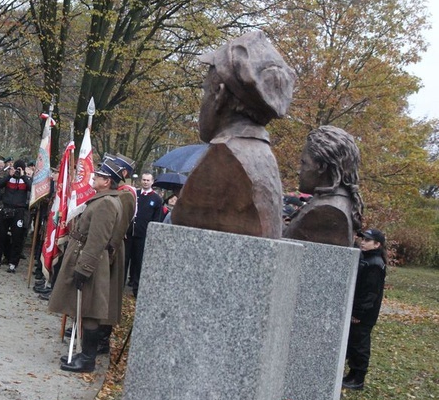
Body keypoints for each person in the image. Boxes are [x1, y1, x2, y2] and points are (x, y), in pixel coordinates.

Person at [171, 30, 295, 239]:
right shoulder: (261, 156)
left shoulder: (223, 158)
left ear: (219, 94)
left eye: (205, 91)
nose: (203, 102)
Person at [48, 159, 129, 373]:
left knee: (91, 311)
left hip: (92, 262)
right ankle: (84, 355)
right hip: (89, 258)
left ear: (107, 181)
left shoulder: (106, 203)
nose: (93, 178)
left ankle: (87, 359)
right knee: (86, 309)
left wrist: (84, 268)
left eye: (98, 176)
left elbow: (97, 240)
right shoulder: (104, 200)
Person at [283, 126, 363, 246]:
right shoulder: (338, 202)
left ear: (322, 167)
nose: (299, 171)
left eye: (304, 163)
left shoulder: (326, 211)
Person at [343, 228, 387, 391]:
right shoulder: (366, 258)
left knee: (360, 344)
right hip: (360, 310)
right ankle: (352, 374)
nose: (363, 242)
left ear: (377, 244)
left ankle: (358, 378)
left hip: (364, 314)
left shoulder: (375, 264)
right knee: (354, 343)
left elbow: (370, 293)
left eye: (367, 240)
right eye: (362, 239)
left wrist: (358, 313)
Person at [0, 159, 31, 273]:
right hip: (6, 208)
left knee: (17, 238)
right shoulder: (9, 178)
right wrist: (9, 176)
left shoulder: (26, 180)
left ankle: (13, 263)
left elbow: (32, 188)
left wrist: (23, 176)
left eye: (20, 169)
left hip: (19, 210)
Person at [125, 172, 163, 297]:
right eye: (144, 180)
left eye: (148, 180)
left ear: (152, 182)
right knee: (125, 261)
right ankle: (119, 287)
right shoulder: (134, 194)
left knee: (138, 263)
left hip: (143, 236)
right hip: (130, 234)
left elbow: (156, 219)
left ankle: (136, 289)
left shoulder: (156, 199)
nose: (146, 182)